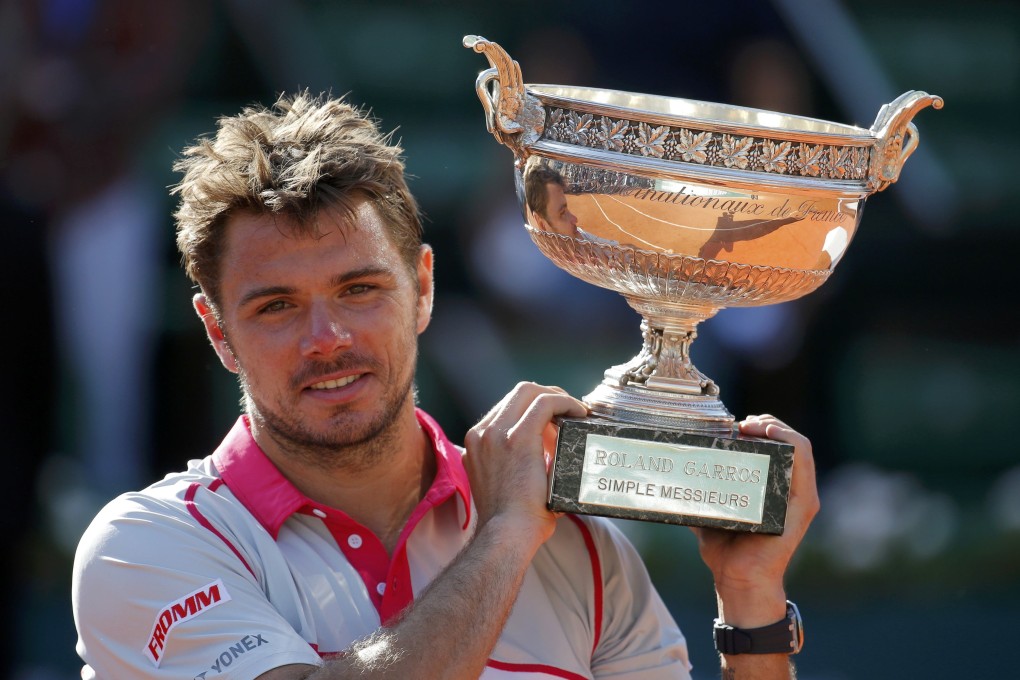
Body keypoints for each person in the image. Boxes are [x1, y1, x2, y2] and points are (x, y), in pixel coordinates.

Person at [72, 91, 819, 679]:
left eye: (360, 290)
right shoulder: (150, 547)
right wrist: (502, 538)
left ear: (423, 289)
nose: (326, 338)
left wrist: (750, 605)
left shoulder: (583, 551)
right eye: (276, 307)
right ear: (217, 332)